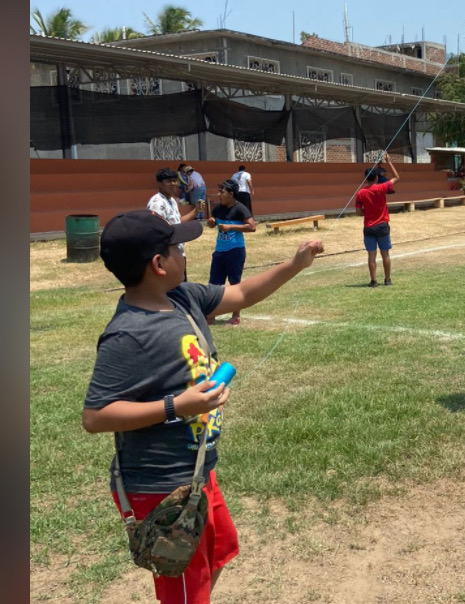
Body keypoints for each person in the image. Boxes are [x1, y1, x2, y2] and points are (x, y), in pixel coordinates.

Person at [83, 209, 324, 604]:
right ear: (158, 264)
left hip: (197, 475)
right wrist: (176, 406)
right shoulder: (128, 333)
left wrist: (295, 264)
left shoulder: (182, 297)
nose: (185, 252)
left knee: (218, 555)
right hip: (161, 489)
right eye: (177, 247)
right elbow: (95, 416)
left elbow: (241, 294)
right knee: (184, 589)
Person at [206, 179, 256, 325]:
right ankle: (211, 315)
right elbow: (213, 223)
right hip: (219, 251)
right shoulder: (217, 208)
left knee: (235, 284)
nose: (218, 194)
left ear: (231, 194)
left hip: (235, 251)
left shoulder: (240, 208)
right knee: (214, 285)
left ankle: (236, 315)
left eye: (222, 192)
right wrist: (211, 223)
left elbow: (252, 227)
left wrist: (231, 227)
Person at [355, 152, 400, 287]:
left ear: (366, 179)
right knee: (385, 254)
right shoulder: (381, 188)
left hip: (368, 227)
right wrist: (389, 161)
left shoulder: (360, 193)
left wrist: (367, 212)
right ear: (376, 178)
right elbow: (397, 177)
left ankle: (373, 281)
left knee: (371, 256)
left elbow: (358, 212)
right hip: (382, 226)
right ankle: (387, 280)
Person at [148, 168, 195, 281]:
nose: (173, 184)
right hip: (167, 256)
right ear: (160, 183)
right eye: (169, 181)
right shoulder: (157, 203)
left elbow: (177, 223)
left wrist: (196, 211)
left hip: (178, 252)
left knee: (182, 289)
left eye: (175, 181)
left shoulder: (172, 201)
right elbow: (156, 232)